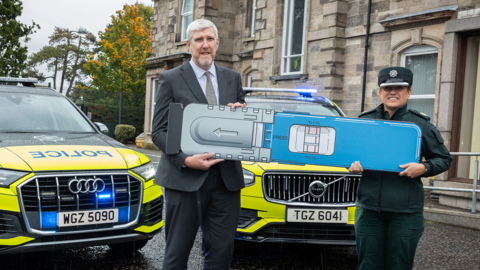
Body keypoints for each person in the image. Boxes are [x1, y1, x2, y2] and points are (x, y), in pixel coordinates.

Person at [151, 19, 247, 270]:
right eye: (198, 40)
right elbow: (159, 131)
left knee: (221, 255)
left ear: (217, 43)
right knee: (176, 255)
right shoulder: (170, 78)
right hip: (184, 179)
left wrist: (243, 116)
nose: (205, 45)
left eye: (209, 39)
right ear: (189, 44)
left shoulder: (233, 78)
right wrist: (184, 159)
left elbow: (242, 130)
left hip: (226, 180)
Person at [348, 66, 452, 270]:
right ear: (380, 92)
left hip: (405, 212)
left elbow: (443, 158)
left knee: (399, 266)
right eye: (387, 88)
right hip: (369, 210)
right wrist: (352, 165)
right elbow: (350, 154)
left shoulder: (421, 125)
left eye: (399, 87)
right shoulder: (365, 121)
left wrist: (423, 168)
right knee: (368, 266)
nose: (392, 92)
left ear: (409, 91)